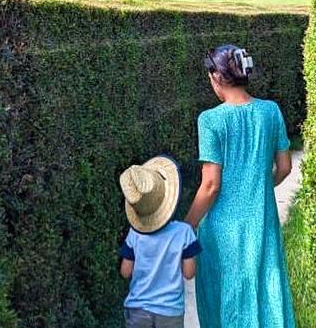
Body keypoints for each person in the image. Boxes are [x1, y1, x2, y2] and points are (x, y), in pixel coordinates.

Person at [185, 45, 296, 328]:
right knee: (265, 293)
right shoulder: (271, 112)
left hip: (222, 231)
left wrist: (187, 225)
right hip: (262, 222)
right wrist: (257, 187)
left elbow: (210, 185)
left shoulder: (210, 120)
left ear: (216, 77)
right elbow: (284, 168)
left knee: (227, 301)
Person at [118, 156, 202, 328]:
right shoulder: (184, 232)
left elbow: (125, 272)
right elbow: (189, 273)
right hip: (170, 311)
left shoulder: (134, 233)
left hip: (137, 308)